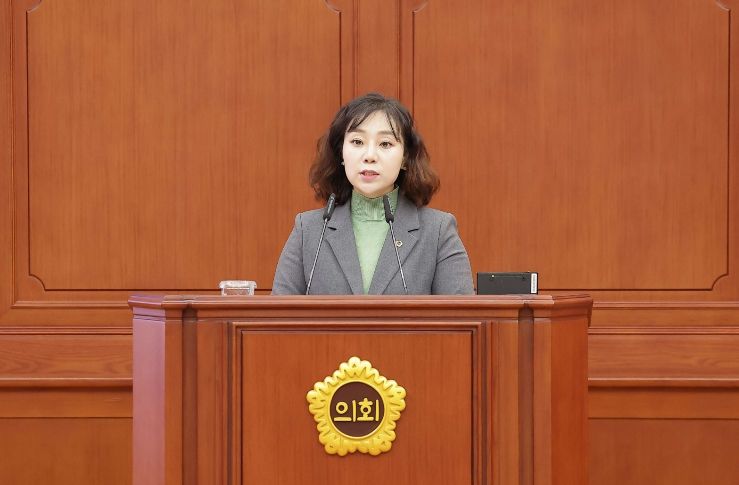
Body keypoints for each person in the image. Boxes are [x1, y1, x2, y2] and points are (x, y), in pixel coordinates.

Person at [272, 93, 474, 295]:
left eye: (385, 144)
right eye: (357, 141)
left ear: (405, 158)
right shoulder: (307, 230)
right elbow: (277, 314)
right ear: (341, 153)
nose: (369, 156)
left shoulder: (438, 232)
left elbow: (462, 314)